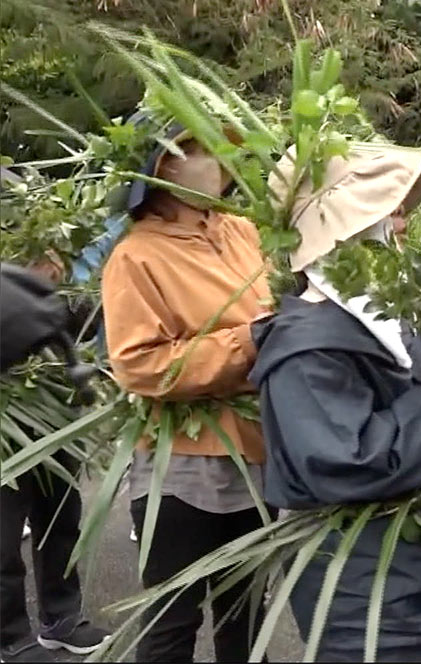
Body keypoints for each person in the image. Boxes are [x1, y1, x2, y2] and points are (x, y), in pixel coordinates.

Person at [248, 147, 421, 662]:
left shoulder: (395, 313)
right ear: (345, 231)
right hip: (372, 597)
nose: (402, 222)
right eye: (387, 211)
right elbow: (346, 463)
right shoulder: (306, 349)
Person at [101, 125, 272, 663]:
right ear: (165, 170)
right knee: (172, 620)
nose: (220, 160)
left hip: (256, 450)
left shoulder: (241, 231)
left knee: (245, 615)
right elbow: (139, 364)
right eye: (200, 150)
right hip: (185, 464)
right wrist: (246, 342)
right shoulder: (137, 257)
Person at [0, 261, 111, 663]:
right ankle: (9, 636)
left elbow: (87, 321)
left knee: (62, 517)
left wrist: (58, 291)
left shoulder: (51, 236)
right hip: (6, 420)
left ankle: (61, 618)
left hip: (52, 406)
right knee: (4, 535)